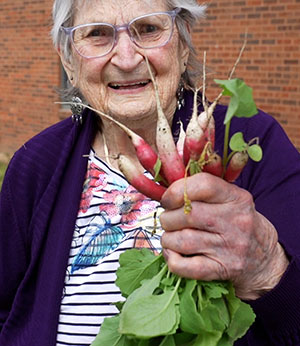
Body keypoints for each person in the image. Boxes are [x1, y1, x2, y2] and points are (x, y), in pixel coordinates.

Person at [1, 0, 300, 345]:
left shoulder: (253, 143)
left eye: (149, 29)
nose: (127, 59)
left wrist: (265, 268)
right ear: (68, 59)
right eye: (98, 34)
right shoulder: (34, 165)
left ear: (183, 44)